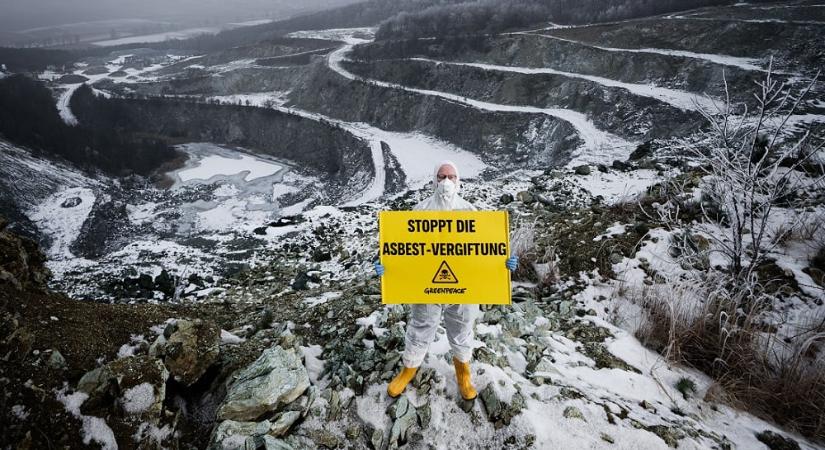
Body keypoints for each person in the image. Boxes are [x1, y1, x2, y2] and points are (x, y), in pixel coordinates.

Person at [374, 160, 519, 400]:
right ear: (434, 180)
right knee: (421, 327)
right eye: (441, 177)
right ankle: (408, 370)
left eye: (451, 176)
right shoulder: (419, 212)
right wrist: (388, 267)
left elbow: (484, 247)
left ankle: (463, 374)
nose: (446, 182)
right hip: (426, 286)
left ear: (459, 180)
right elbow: (404, 247)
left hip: (463, 287)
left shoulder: (470, 212)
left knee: (462, 328)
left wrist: (502, 264)